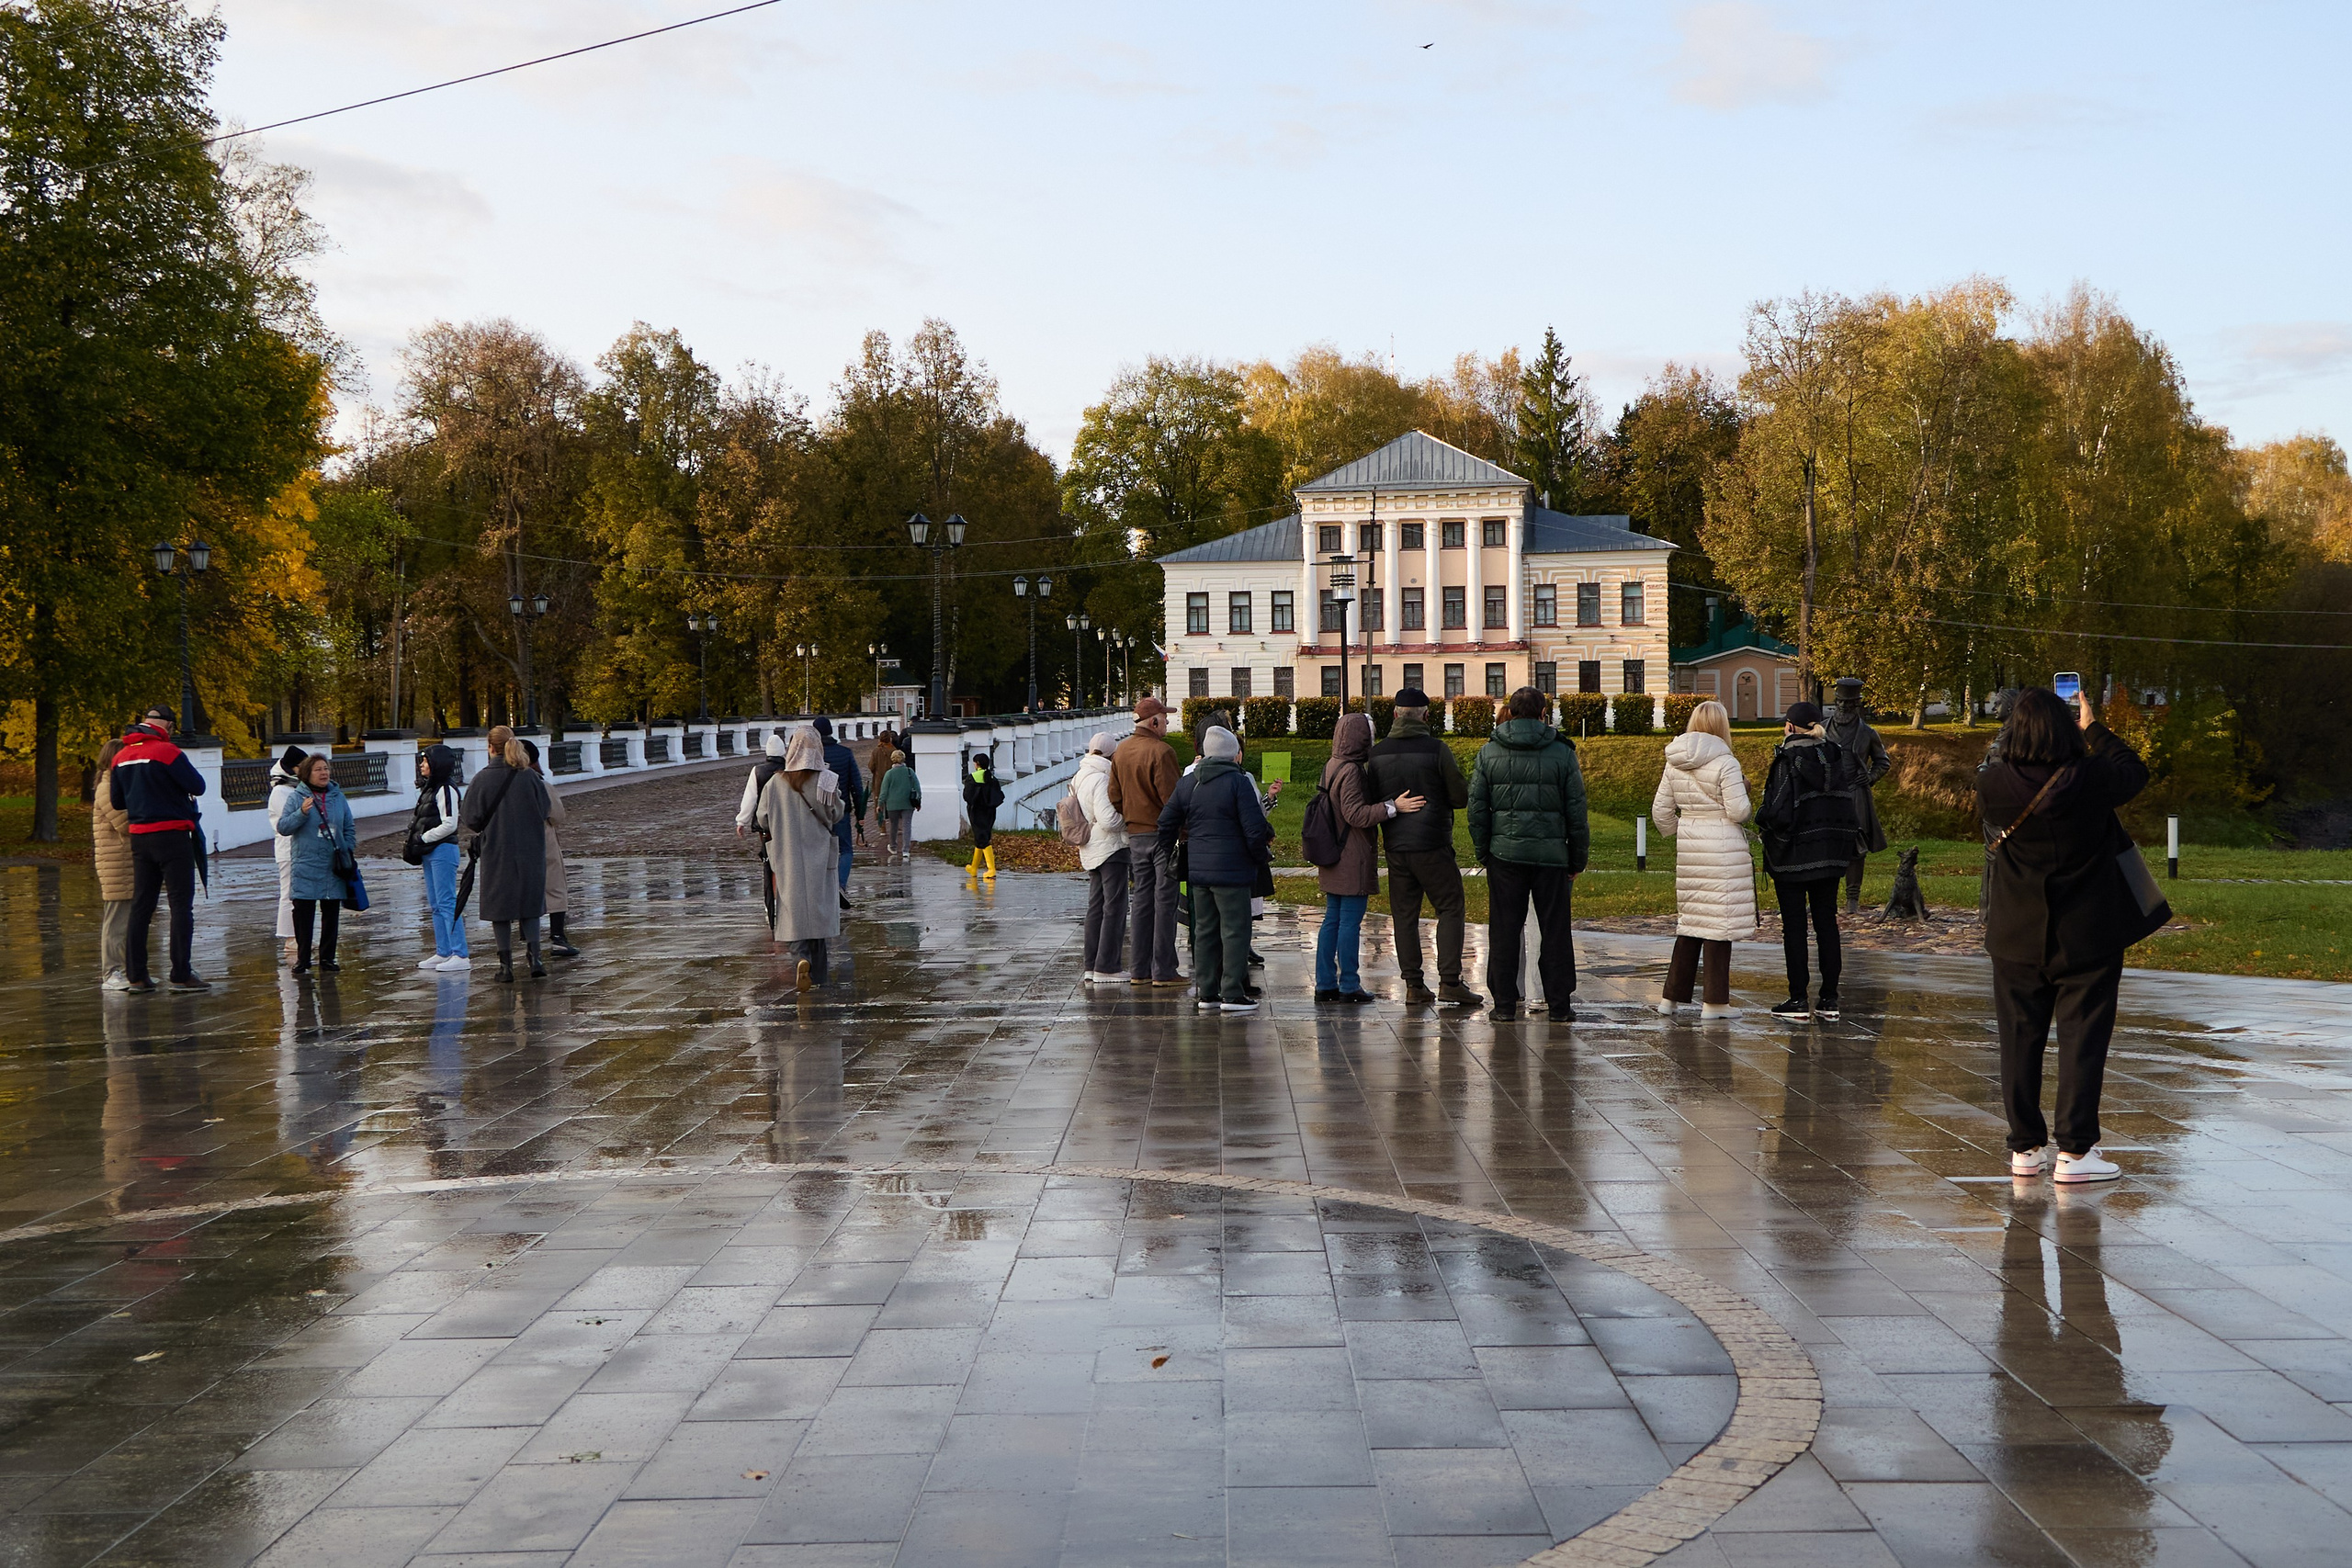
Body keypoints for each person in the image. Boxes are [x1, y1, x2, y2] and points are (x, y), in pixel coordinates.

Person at [1979, 686, 2166, 1184]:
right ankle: (2077, 1154)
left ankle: (2024, 1148)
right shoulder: (2094, 778)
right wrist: (2093, 728)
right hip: (2088, 933)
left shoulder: (1993, 784)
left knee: (2018, 1039)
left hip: (2016, 934)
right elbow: (2136, 770)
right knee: (2083, 1041)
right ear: (2065, 728)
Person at [1467, 687, 1589, 1021]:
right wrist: (1577, 859)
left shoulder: (1489, 752)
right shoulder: (1563, 753)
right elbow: (1576, 811)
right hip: (1552, 857)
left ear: (1511, 711)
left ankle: (1505, 1005)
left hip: (1504, 855)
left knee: (1504, 929)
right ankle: (1560, 1006)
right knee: (1555, 930)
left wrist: (1485, 853)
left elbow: (1477, 810)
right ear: (1542, 714)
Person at [1366, 686, 1478, 1009]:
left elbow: (1371, 800)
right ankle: (1450, 982)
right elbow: (1459, 797)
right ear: (1427, 716)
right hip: (1433, 845)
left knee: (1404, 915)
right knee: (1450, 907)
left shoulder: (1376, 754)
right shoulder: (1437, 750)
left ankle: (1414, 985)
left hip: (1396, 847)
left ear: (1394, 715)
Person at [1754, 700, 1860, 1021]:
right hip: (1831, 852)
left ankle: (1798, 999)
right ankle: (1830, 1000)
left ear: (1789, 727)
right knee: (1827, 924)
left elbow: (1777, 810)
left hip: (1794, 855)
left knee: (1795, 928)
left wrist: (1762, 823)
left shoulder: (1788, 759)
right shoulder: (1837, 756)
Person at [1650, 700, 1756, 1019]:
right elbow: (1739, 811)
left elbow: (1660, 812)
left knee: (1691, 922)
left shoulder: (1674, 761)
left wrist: (1680, 830)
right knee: (1718, 926)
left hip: (1691, 844)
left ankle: (1670, 999)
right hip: (1722, 847)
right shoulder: (1726, 762)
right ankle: (1715, 1003)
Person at [1159, 725, 1272, 1012]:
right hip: (1233, 872)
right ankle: (1232, 993)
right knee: (1235, 931)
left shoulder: (1188, 783)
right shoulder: (1238, 783)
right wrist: (1260, 857)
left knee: (1205, 931)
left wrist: (1166, 850)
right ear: (1233, 753)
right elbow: (1254, 828)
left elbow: (1165, 823)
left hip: (1198, 872)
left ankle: (1207, 993)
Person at [1316, 711, 1423, 1005]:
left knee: (1332, 921)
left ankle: (1325, 984)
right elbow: (1355, 814)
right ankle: (1349, 985)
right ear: (1359, 738)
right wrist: (1393, 807)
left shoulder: (1332, 763)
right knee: (1348, 922)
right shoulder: (1351, 770)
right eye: (1370, 734)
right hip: (1351, 857)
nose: (1372, 740)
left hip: (1333, 854)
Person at [110, 705, 209, 994]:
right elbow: (198, 786)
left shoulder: (120, 757)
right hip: (173, 835)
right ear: (165, 726)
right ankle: (180, 973)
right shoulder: (168, 753)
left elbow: (118, 802)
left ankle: (137, 975)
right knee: (180, 905)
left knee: (142, 906)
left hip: (140, 837)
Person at [755, 725, 844, 989]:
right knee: (818, 911)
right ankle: (818, 973)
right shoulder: (827, 780)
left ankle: (800, 959)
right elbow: (836, 814)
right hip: (819, 853)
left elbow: (762, 818)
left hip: (787, 855)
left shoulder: (775, 783)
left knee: (791, 910)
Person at [461, 728, 551, 983]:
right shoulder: (529, 777)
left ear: (490, 747)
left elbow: (471, 819)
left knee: (499, 906)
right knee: (530, 904)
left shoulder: (482, 779)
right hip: (531, 849)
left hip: (497, 850)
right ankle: (535, 958)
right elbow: (545, 809)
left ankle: (506, 966)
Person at [1109, 698, 1186, 987]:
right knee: (1165, 901)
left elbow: (1114, 797)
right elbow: (1173, 802)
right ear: (1153, 722)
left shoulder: (1121, 751)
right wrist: (1182, 831)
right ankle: (1164, 970)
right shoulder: (1162, 752)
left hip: (1136, 835)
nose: (1167, 722)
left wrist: (1133, 816)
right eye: (1164, 718)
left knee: (1141, 900)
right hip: (1162, 837)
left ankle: (1139, 970)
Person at [276, 752, 358, 976]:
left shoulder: (337, 796)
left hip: (334, 863)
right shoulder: (297, 797)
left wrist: (347, 848)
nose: (324, 773)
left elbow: (349, 826)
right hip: (307, 863)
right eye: (318, 769)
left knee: (331, 912)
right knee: (303, 912)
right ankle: (303, 959)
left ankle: (328, 958)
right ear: (307, 774)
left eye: (326, 769)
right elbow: (283, 827)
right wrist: (302, 813)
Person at [1826, 677, 1892, 912]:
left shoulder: (1867, 733)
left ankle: (1852, 897)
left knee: (1856, 847)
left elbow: (1883, 761)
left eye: (1848, 703)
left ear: (1857, 705)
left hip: (1855, 793)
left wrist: (1871, 777)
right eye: (1840, 702)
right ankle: (1827, 897)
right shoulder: (1822, 729)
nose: (1843, 707)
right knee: (1827, 845)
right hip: (1828, 796)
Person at [1074, 732, 1130, 983]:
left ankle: (1091, 965)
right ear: (1111, 754)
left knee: (1095, 907)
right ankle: (1107, 967)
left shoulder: (1081, 774)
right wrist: (1128, 819)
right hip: (1110, 848)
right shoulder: (1102, 777)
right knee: (1115, 907)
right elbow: (1108, 819)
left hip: (1089, 847)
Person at [520, 739, 578, 957]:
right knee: (554, 885)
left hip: (513, 843)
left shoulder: (502, 782)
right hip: (542, 839)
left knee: (524, 889)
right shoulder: (540, 783)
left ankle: (527, 937)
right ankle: (557, 937)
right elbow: (557, 815)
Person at [413, 743, 468, 971]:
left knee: (447, 902)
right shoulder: (431, 787)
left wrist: (424, 838)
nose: (421, 765)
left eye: (425, 761)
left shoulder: (445, 789)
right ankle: (443, 951)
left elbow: (450, 824)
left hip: (442, 849)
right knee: (436, 904)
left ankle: (460, 953)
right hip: (430, 851)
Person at [91, 738, 136, 993]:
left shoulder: (115, 784)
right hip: (116, 863)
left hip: (124, 861)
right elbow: (125, 823)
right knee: (116, 919)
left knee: (128, 918)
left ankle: (129, 969)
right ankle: (111, 971)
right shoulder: (107, 788)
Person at [813, 716, 865, 907]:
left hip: (817, 812)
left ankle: (822, 888)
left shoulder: (813, 756)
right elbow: (856, 786)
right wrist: (860, 815)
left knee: (820, 850)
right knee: (845, 850)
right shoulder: (846, 754)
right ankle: (840, 884)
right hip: (841, 810)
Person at [266, 744, 308, 964]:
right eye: (304, 767)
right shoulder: (281, 791)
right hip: (289, 850)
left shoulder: (293, 787)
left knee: (300, 894)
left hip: (300, 849)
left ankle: (300, 935)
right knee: (289, 894)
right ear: (293, 768)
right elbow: (288, 821)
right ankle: (291, 939)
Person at [963, 753, 1005, 879]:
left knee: (982, 839)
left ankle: (991, 869)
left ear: (977, 764)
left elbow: (967, 796)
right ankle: (974, 867)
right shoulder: (992, 778)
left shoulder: (972, 778)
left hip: (976, 812)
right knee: (982, 837)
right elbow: (999, 795)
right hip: (990, 811)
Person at [876, 748, 920, 860]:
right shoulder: (910, 771)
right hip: (908, 803)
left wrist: (880, 804)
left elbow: (884, 791)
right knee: (906, 825)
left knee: (893, 826)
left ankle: (893, 847)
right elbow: (917, 787)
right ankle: (906, 850)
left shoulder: (889, 774)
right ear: (903, 759)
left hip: (892, 803)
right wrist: (919, 801)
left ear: (892, 760)